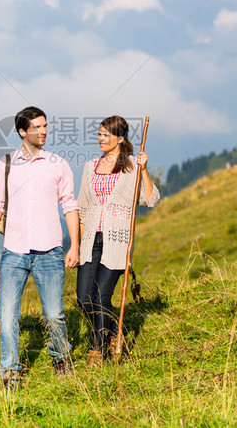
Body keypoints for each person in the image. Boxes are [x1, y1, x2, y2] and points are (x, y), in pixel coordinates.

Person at [0, 106, 80, 391]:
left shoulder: (58, 164)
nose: (43, 131)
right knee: (8, 315)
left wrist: (75, 246)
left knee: (53, 314)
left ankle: (61, 358)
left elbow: (69, 205)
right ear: (23, 131)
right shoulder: (6, 164)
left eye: (45, 126)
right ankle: (9, 373)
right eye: (36, 127)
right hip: (14, 251)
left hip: (50, 252)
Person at [75, 115, 159, 365]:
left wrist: (144, 171)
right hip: (90, 240)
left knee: (101, 297)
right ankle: (112, 332)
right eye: (99, 134)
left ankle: (96, 350)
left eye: (106, 135)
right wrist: (78, 246)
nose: (100, 139)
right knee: (83, 298)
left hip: (116, 241)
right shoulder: (91, 166)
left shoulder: (132, 165)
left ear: (120, 139)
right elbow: (83, 207)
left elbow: (150, 199)